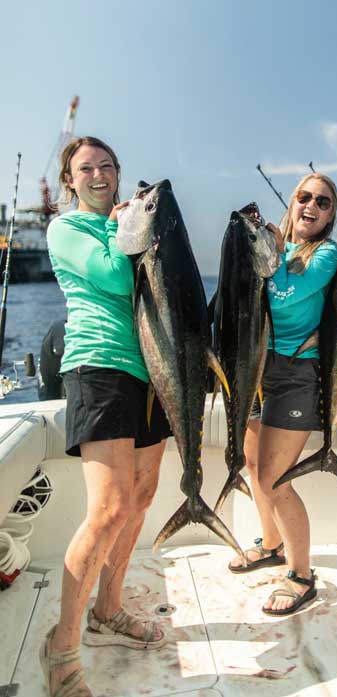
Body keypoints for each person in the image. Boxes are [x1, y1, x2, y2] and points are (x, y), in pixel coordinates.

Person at [40, 137, 172, 697]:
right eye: (85, 168)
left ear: (119, 173)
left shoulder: (129, 222)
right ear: (70, 181)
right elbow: (117, 279)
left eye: (107, 166)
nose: (98, 174)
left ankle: (108, 610)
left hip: (150, 372)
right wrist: (127, 229)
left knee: (140, 500)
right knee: (110, 506)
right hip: (97, 366)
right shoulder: (66, 229)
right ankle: (62, 645)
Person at [228, 173, 337, 616]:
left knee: (276, 478)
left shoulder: (326, 253)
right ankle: (272, 543)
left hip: (297, 372)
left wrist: (270, 253)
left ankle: (301, 574)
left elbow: (283, 294)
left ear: (331, 215)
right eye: (304, 196)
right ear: (292, 203)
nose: (311, 205)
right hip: (257, 366)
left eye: (324, 201)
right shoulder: (275, 247)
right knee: (255, 467)